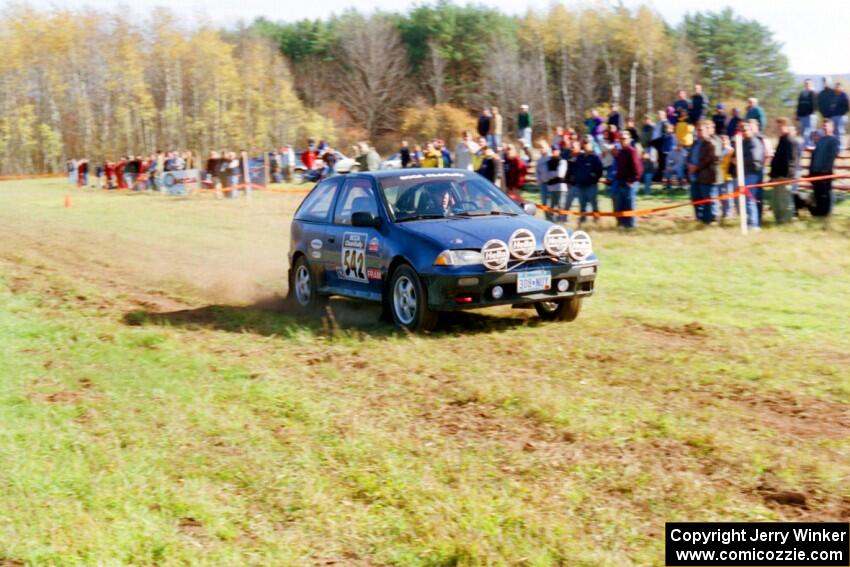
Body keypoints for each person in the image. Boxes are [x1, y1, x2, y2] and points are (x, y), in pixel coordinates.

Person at [768, 118, 798, 224]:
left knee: (785, 200)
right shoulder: (781, 140)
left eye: (780, 126)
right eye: (777, 126)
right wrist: (773, 174)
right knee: (777, 201)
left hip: (785, 176)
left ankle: (786, 220)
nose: (778, 128)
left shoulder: (790, 141)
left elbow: (791, 160)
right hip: (777, 176)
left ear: (786, 127)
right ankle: (779, 219)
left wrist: (787, 176)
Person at [611, 131, 642, 229]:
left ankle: (631, 226)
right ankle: (621, 225)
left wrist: (632, 181)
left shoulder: (632, 152)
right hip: (620, 182)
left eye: (624, 138)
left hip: (629, 183)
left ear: (629, 140)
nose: (622, 140)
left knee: (629, 206)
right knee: (620, 205)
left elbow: (638, 169)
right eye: (620, 139)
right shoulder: (621, 153)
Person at [808, 119, 840, 217]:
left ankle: (826, 214)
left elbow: (832, 155)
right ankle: (819, 213)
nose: (825, 128)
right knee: (818, 194)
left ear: (832, 128)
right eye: (824, 126)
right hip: (816, 172)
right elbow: (815, 155)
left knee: (825, 194)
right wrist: (812, 170)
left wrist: (825, 169)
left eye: (827, 126)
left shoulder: (834, 140)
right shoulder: (820, 140)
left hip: (825, 172)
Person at [737, 121, 765, 229]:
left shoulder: (754, 141)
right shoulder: (744, 142)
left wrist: (739, 160)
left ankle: (754, 225)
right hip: (746, 173)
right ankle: (751, 222)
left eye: (745, 130)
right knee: (748, 200)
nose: (743, 132)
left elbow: (755, 158)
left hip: (753, 173)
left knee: (750, 199)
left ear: (750, 130)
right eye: (741, 130)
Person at [692, 121, 720, 224]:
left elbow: (711, 158)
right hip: (695, 175)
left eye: (700, 130)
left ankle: (710, 220)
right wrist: (689, 166)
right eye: (697, 130)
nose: (698, 132)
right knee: (697, 199)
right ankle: (700, 219)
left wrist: (696, 167)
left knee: (708, 199)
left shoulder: (711, 143)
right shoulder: (695, 143)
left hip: (707, 175)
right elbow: (690, 156)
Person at [571, 139, 603, 225]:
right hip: (580, 185)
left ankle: (597, 221)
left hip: (591, 186)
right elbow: (575, 169)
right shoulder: (579, 157)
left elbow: (599, 171)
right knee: (582, 205)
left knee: (594, 204)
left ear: (591, 145)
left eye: (587, 143)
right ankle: (582, 221)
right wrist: (576, 179)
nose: (585, 145)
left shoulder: (595, 158)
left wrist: (593, 180)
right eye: (584, 143)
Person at [796, 79, 818, 146]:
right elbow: (799, 104)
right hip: (802, 116)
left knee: (809, 132)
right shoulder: (802, 93)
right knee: (803, 132)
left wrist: (810, 113)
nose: (806, 85)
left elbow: (815, 106)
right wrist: (798, 115)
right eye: (805, 83)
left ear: (811, 84)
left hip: (810, 116)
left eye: (808, 83)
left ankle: (811, 145)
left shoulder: (813, 93)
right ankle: (806, 146)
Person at [830, 82, 848, 149]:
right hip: (834, 116)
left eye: (838, 87)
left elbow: (847, 106)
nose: (837, 88)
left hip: (841, 117)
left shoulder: (844, 95)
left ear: (841, 87)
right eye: (836, 87)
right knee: (834, 132)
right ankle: (835, 147)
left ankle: (841, 147)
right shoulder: (833, 95)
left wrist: (843, 113)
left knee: (840, 132)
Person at [535, 141, 552, 211]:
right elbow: (537, 171)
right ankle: (547, 217)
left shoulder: (550, 157)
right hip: (542, 183)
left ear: (547, 148)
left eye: (542, 148)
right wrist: (539, 180)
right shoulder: (539, 160)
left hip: (551, 183)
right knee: (544, 202)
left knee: (551, 201)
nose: (541, 149)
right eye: (540, 148)